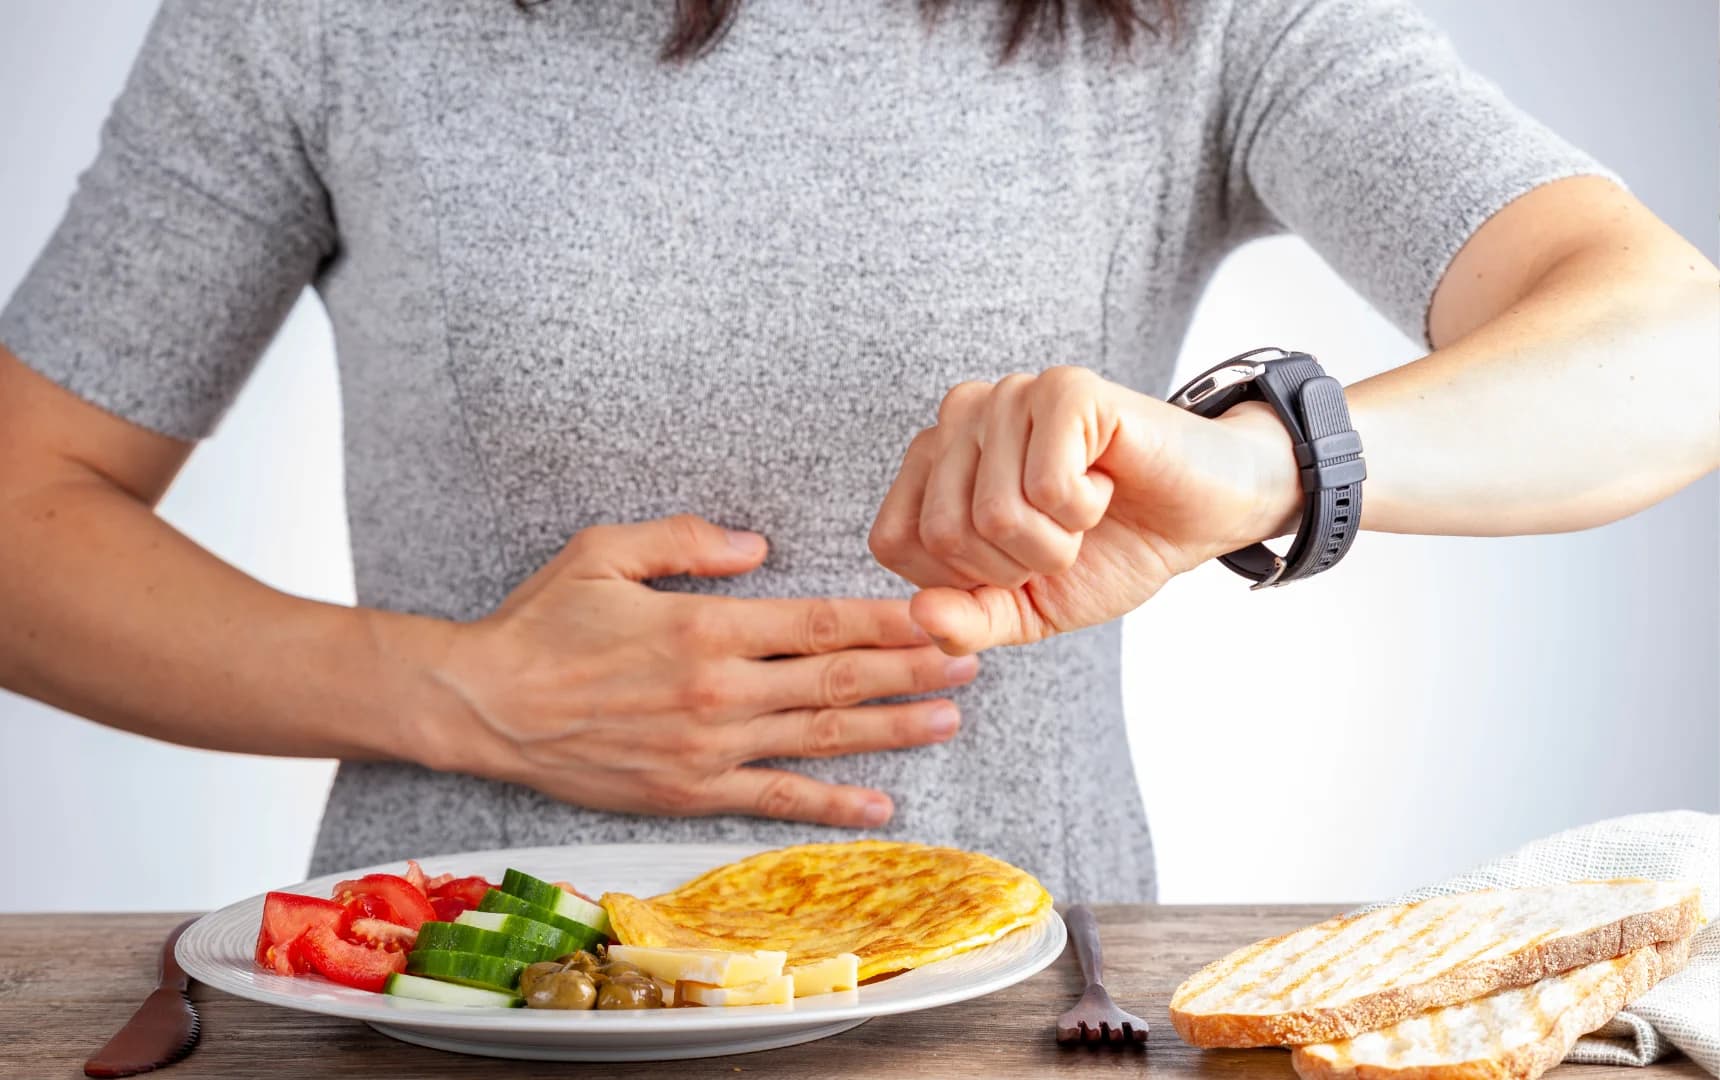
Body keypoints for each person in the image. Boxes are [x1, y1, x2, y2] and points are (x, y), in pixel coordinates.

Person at [0, 0, 1713, 903]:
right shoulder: (317, 18)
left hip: (1005, 1022)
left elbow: (1668, 343)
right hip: (457, 1003)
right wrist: (453, 692)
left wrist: (1264, 462)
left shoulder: (1195, 20)